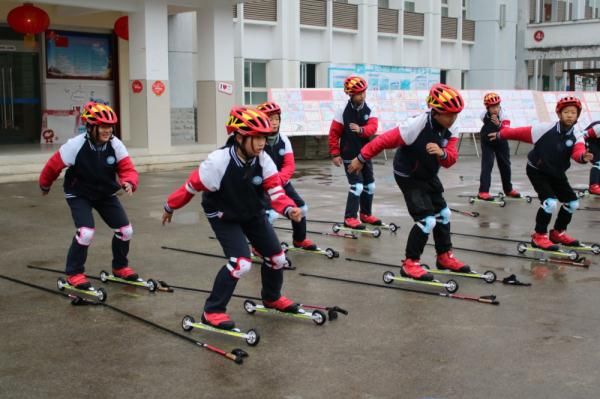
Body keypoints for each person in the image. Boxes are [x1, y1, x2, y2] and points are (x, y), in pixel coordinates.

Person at [162, 106, 303, 330]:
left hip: (252, 212)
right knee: (241, 262)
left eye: (264, 138)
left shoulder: (264, 160)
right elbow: (190, 187)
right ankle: (213, 311)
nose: (261, 143)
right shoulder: (217, 162)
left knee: (278, 258)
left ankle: (271, 297)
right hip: (223, 214)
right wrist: (170, 206)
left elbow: (276, 193)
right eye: (255, 137)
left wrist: (289, 209)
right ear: (239, 137)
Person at [347, 83, 470, 281]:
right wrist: (360, 158)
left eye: (456, 114)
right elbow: (382, 141)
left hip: (429, 174)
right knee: (427, 220)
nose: (454, 118)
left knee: (443, 214)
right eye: (450, 114)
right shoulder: (415, 126)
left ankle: (444, 256)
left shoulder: (452, 127)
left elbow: (451, 160)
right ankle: (410, 263)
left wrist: (443, 153)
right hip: (408, 175)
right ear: (436, 112)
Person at [39, 102, 139, 288]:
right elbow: (52, 167)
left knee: (126, 231)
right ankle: (74, 272)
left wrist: (129, 182)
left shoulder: (116, 145)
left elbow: (128, 169)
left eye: (110, 126)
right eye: (103, 126)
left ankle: (120, 267)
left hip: (105, 193)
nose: (107, 130)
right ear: (91, 127)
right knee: (86, 232)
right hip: (79, 193)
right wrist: (45, 185)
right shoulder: (75, 146)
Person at [489, 96, 593, 249]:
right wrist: (500, 134)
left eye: (573, 112)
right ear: (559, 114)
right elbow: (519, 133)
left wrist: (583, 157)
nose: (570, 115)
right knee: (550, 203)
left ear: (578, 115)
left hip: (557, 173)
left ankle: (558, 232)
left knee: (572, 203)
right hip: (537, 170)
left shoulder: (577, 135)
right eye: (566, 112)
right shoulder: (544, 129)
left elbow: (578, 152)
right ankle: (539, 235)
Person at [256, 100, 318, 250]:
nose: (274, 122)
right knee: (270, 215)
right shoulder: (257, 141)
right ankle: (259, 247)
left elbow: (289, 165)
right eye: (270, 119)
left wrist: (278, 180)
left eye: (277, 119)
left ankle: (299, 240)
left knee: (301, 208)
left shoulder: (283, 140)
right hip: (262, 186)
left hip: (281, 182)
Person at [328, 75, 380, 230]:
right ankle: (350, 218)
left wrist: (361, 130)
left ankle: (365, 214)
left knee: (370, 186)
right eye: (359, 93)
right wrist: (335, 153)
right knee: (356, 186)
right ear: (350, 95)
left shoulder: (370, 108)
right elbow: (334, 133)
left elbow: (373, 127)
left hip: (365, 155)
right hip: (349, 155)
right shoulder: (342, 111)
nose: (362, 96)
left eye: (364, 92)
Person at [477, 92, 521, 200]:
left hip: (501, 140)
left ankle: (508, 190)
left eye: (497, 106)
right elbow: (484, 123)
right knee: (487, 165)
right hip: (487, 141)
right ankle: (483, 191)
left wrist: (499, 124)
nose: (495, 109)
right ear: (487, 107)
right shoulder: (483, 115)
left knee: (505, 165)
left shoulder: (504, 115)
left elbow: (506, 130)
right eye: (492, 107)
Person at [583, 121, 600, 196]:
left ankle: (598, 184)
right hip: (588, 140)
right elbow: (583, 135)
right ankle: (593, 186)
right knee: (599, 162)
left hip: (597, 140)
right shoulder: (598, 128)